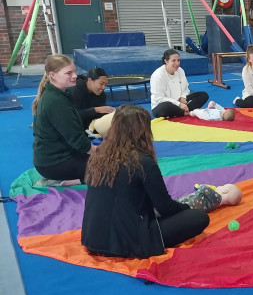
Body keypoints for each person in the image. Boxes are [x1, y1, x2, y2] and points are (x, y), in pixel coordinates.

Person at [82, 104, 210, 258]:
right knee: (198, 217)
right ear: (143, 131)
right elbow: (165, 207)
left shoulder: (97, 156)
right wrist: (187, 207)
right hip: (130, 242)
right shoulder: (142, 161)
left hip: (93, 238)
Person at [32, 55, 94, 184]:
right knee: (111, 167)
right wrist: (100, 152)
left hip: (57, 156)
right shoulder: (56, 102)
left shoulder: (60, 94)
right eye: (69, 73)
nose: (75, 76)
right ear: (53, 75)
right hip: (54, 164)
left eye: (74, 71)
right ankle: (63, 182)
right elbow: (77, 140)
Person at [150, 49, 208, 118]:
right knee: (165, 107)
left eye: (178, 60)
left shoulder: (180, 71)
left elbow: (185, 88)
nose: (177, 63)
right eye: (173, 60)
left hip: (180, 102)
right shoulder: (158, 75)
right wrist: (178, 104)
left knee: (203, 95)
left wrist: (183, 97)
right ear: (166, 61)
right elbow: (159, 98)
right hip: (163, 105)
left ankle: (182, 111)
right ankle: (185, 112)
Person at [70, 67, 115, 137]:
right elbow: (72, 115)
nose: (103, 88)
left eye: (105, 85)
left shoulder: (101, 94)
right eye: (101, 84)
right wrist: (95, 110)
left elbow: (101, 116)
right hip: (74, 129)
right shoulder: (75, 91)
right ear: (90, 80)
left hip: (90, 127)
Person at [177, 183, 242, 212]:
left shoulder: (217, 198)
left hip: (188, 204)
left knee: (178, 202)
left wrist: (201, 186)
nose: (219, 186)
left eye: (223, 185)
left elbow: (204, 188)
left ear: (225, 191)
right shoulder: (217, 204)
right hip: (190, 207)